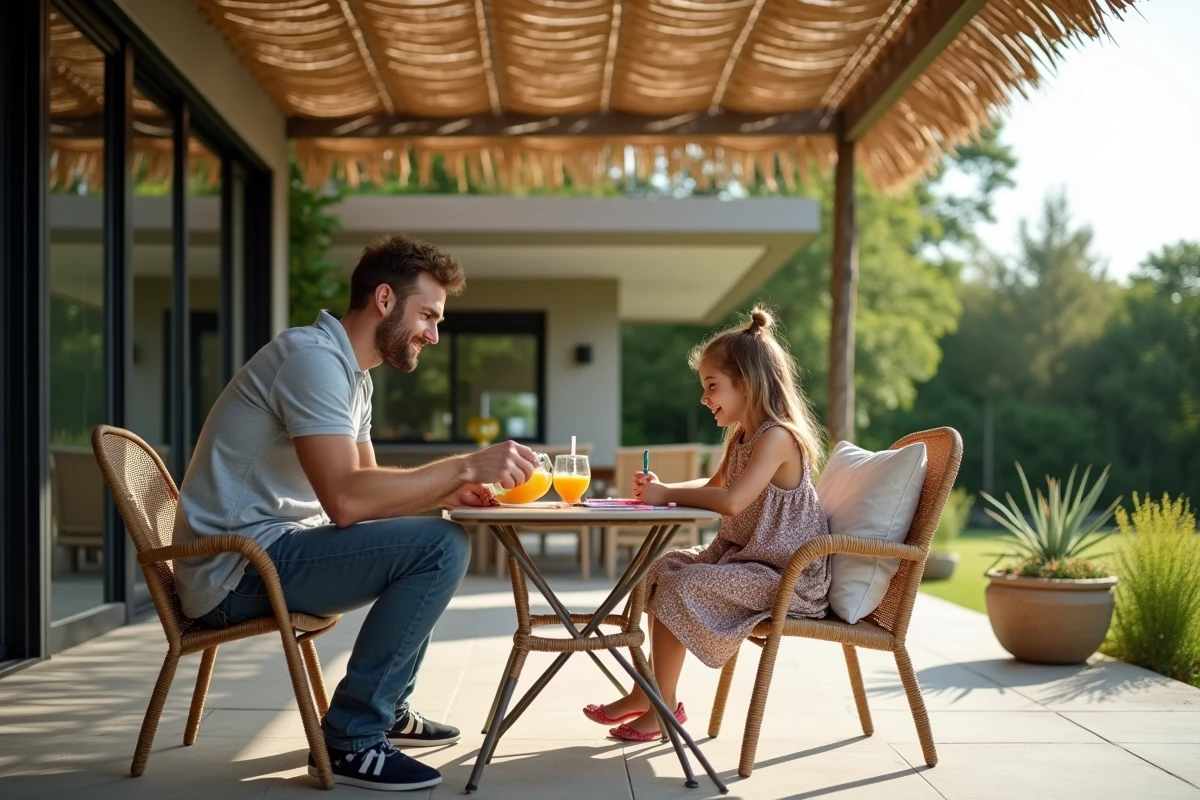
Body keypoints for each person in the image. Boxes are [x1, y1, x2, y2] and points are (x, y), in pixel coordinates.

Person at [173, 234, 541, 791]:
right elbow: (346, 501)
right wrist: (465, 468)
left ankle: (386, 709)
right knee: (441, 547)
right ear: (385, 300)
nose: (434, 335)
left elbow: (367, 499)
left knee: (438, 533)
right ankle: (351, 739)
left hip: (271, 552)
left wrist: (443, 496)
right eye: (428, 316)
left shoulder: (353, 377)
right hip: (233, 568)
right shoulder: (311, 359)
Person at [582, 307, 831, 741]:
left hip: (786, 575)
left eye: (711, 386)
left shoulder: (777, 437)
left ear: (747, 383)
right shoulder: (742, 437)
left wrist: (665, 495)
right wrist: (665, 487)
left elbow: (731, 501)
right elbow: (714, 483)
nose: (704, 397)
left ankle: (658, 704)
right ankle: (655, 696)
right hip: (748, 562)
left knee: (683, 585)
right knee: (660, 571)